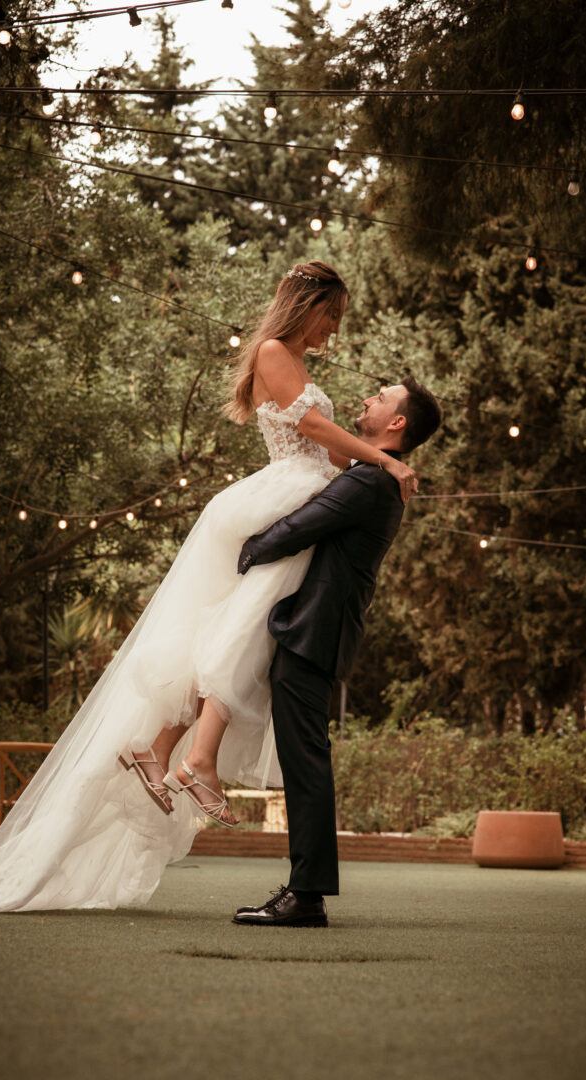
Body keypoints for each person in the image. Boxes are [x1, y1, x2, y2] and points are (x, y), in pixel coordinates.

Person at [0, 261, 416, 914]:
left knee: (236, 633)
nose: (335, 329)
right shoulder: (274, 351)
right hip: (279, 500)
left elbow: (328, 449)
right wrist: (381, 457)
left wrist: (364, 466)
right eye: (332, 315)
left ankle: (164, 749)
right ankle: (189, 757)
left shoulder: (297, 364)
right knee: (241, 630)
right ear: (306, 305)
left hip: (301, 496)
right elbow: (310, 431)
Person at [232, 377, 442, 927]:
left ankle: (306, 896)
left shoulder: (370, 481)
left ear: (397, 422)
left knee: (305, 761)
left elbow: (297, 528)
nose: (368, 399)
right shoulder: (370, 474)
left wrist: (241, 550)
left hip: (314, 633)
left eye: (381, 397)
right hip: (317, 632)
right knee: (305, 759)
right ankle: (306, 891)